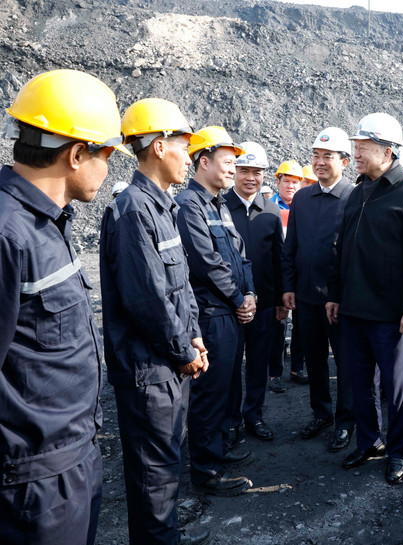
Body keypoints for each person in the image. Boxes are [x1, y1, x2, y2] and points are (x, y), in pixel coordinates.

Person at [0, 68, 125, 545]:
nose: (109, 167)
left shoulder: (47, 224)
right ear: (77, 154)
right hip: (32, 488)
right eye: (107, 153)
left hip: (71, 465)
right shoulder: (9, 234)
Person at [100, 98, 211, 545]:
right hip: (150, 371)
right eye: (185, 147)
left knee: (165, 470)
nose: (190, 158)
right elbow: (146, 300)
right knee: (153, 479)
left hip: (169, 364)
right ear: (160, 146)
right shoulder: (130, 210)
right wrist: (185, 351)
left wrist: (196, 336)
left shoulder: (160, 206)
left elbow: (179, 288)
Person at [326, 112, 403, 485]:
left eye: (362, 147)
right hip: (353, 310)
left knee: (395, 387)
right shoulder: (359, 191)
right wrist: (335, 295)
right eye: (355, 146)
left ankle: (398, 451)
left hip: (391, 314)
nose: (355, 153)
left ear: (387, 152)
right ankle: (369, 441)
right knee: (359, 383)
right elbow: (342, 251)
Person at [176, 126, 254, 496]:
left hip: (232, 312)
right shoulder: (189, 206)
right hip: (212, 314)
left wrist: (250, 292)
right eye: (227, 163)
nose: (232, 170)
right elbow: (205, 262)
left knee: (225, 387)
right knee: (209, 393)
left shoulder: (218, 205)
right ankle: (205, 471)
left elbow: (239, 256)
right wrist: (240, 301)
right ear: (203, 162)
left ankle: (218, 451)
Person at [283, 127, 357, 452]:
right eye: (316, 155)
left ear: (344, 160)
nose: (320, 162)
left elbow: (357, 256)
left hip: (340, 302)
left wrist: (342, 296)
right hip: (306, 299)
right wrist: (288, 288)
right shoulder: (302, 197)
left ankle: (346, 422)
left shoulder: (354, 198)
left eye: (328, 156)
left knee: (345, 364)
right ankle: (321, 413)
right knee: (314, 360)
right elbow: (291, 248)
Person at [223, 141, 285, 442]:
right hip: (227, 306)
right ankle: (231, 419)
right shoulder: (218, 209)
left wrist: (279, 300)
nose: (251, 177)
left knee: (258, 363)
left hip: (263, 305)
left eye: (257, 172)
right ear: (233, 172)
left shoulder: (271, 213)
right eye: (244, 170)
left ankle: (254, 415)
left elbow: (279, 260)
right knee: (230, 366)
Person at [270, 159, 307, 389]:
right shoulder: (269, 207)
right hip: (279, 276)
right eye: (287, 181)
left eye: (295, 182)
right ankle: (275, 373)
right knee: (279, 326)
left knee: (301, 326)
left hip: (301, 276)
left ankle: (297, 368)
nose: (291, 186)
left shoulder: (305, 207)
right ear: (278, 181)